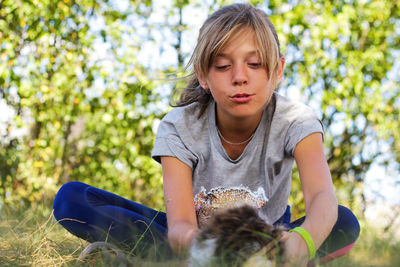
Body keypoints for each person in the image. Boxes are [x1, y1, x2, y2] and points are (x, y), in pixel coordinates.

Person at [53, 3, 360, 266]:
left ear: (277, 71)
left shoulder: (297, 120)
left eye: (254, 64)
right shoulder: (178, 126)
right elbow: (181, 227)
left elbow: (322, 196)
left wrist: (301, 242)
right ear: (202, 75)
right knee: (72, 199)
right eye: (223, 65)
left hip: (268, 241)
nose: (240, 77)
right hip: (196, 241)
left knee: (343, 221)